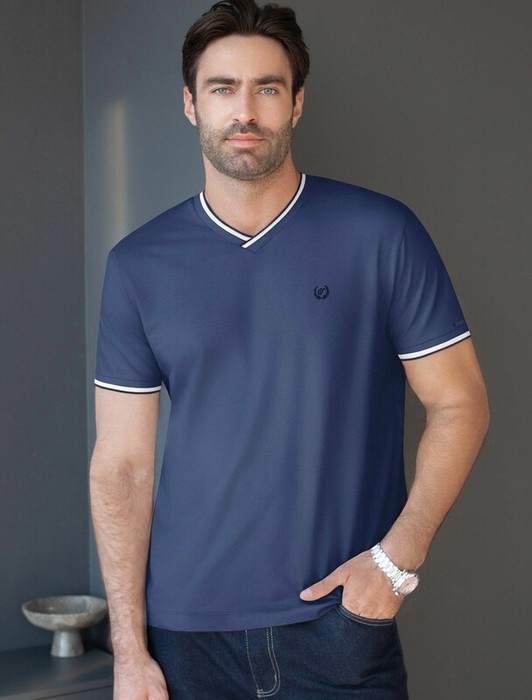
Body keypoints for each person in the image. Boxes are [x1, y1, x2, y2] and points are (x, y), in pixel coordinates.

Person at [89, 0, 489, 698]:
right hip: (185, 639)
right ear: (190, 104)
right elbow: (121, 467)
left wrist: (397, 561)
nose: (244, 111)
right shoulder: (137, 265)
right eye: (222, 88)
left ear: (297, 103)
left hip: (339, 627)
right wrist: (129, 649)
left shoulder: (381, 233)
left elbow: (461, 403)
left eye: (267, 88)